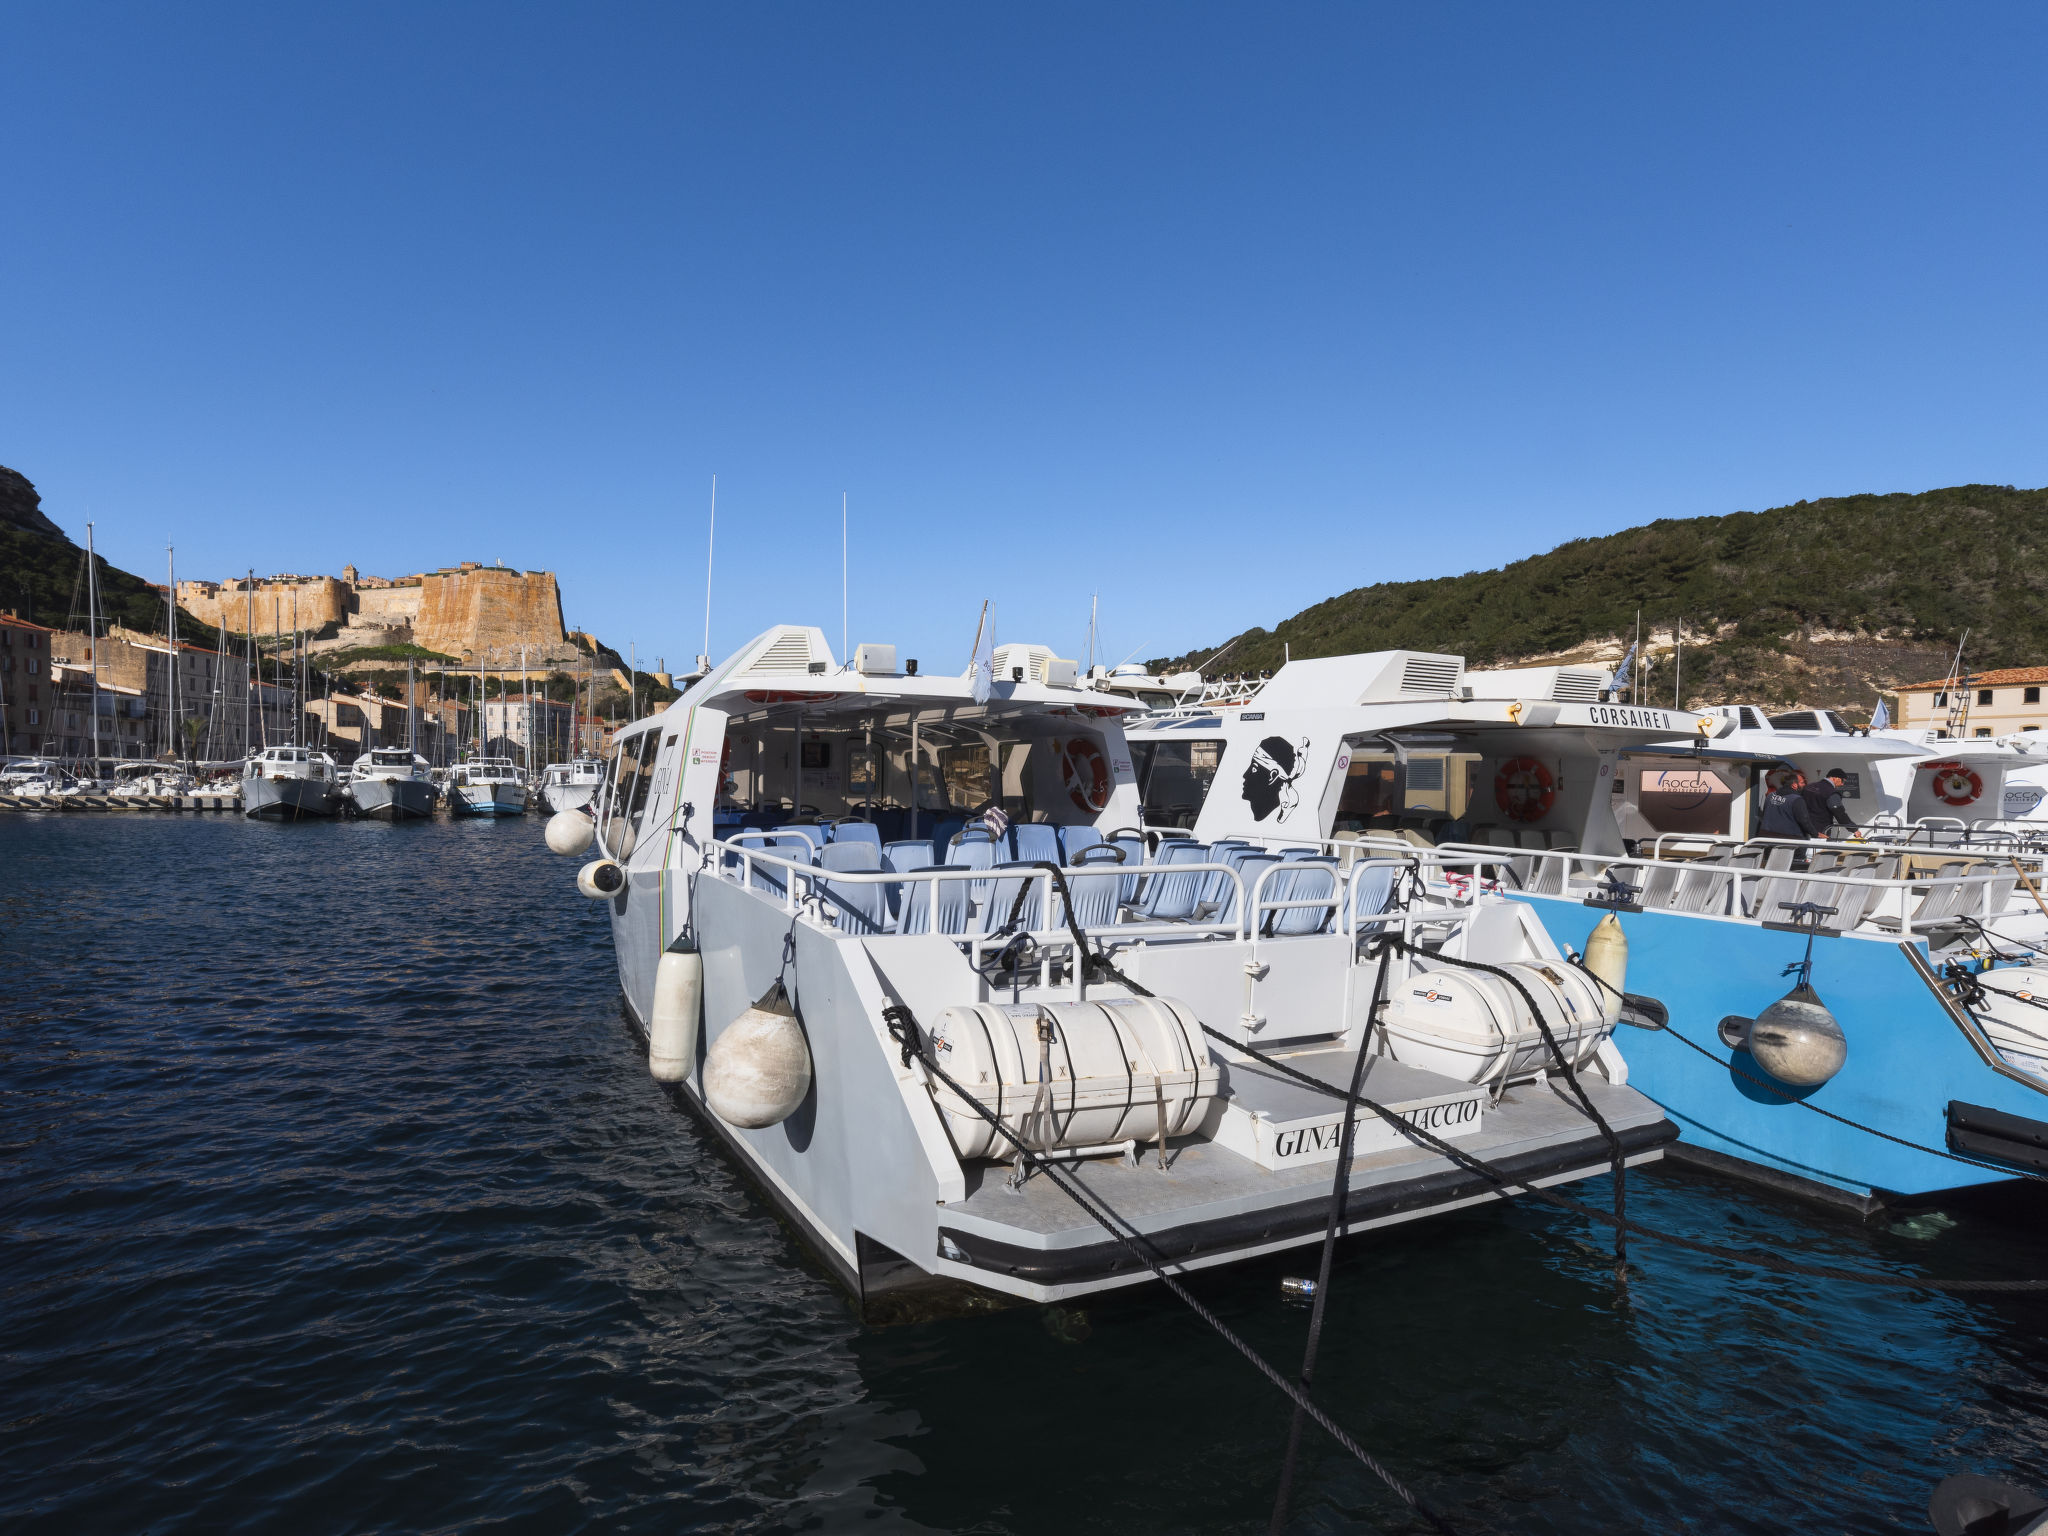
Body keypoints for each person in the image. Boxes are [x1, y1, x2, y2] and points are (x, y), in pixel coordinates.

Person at [1759, 771, 1821, 840]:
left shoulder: (1770, 796)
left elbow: (1765, 815)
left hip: (1766, 837)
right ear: (1794, 785)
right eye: (1802, 783)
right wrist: (1816, 834)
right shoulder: (1797, 800)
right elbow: (1804, 821)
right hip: (1789, 840)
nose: (1804, 785)